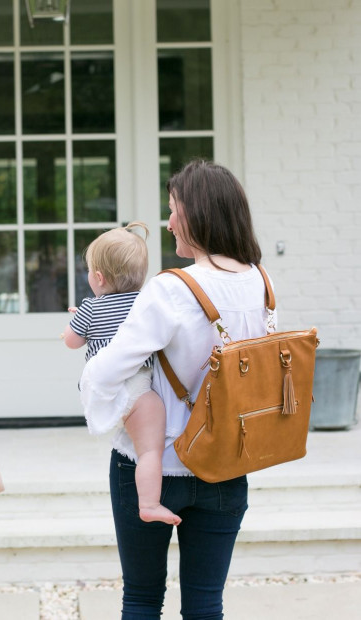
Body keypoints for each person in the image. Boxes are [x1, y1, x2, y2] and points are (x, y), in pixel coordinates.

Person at [80, 160, 274, 619]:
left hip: (152, 465)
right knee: (206, 603)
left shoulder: (172, 287)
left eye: (173, 210)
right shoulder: (261, 281)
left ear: (198, 213)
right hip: (225, 464)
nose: (168, 222)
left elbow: (107, 371)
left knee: (142, 599)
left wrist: (98, 391)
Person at [62, 222, 181, 525]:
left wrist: (78, 322)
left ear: (98, 277)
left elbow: (72, 342)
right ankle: (150, 503)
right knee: (150, 451)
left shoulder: (90, 307)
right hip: (139, 391)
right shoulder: (144, 303)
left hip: (105, 392)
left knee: (133, 442)